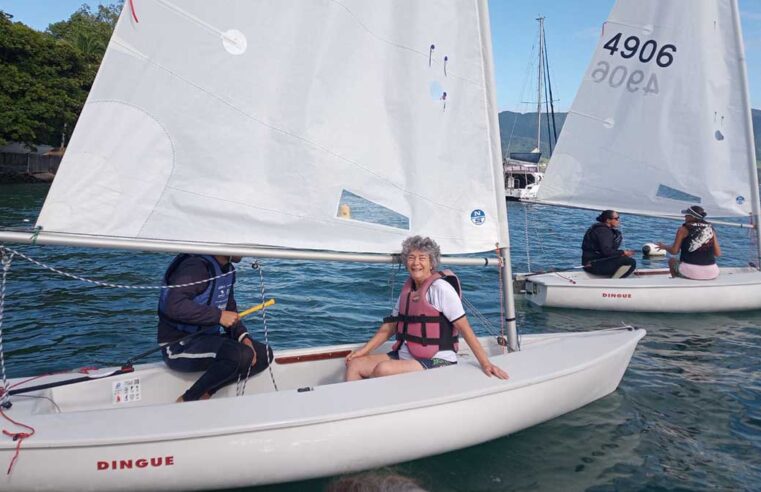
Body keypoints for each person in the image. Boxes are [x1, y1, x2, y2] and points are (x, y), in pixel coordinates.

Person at [344, 236, 509, 381]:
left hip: (440, 360)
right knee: (355, 364)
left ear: (432, 263)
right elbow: (389, 328)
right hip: (406, 356)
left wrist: (485, 363)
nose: (416, 263)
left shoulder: (441, 289)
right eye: (411, 258)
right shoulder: (407, 292)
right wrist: (362, 351)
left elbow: (464, 329)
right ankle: (353, 411)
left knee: (384, 369)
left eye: (422, 258)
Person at [157, 254, 272, 402]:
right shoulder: (195, 267)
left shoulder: (227, 270)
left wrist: (243, 337)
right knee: (240, 355)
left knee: (264, 354)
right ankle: (187, 399)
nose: (245, 252)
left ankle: (208, 392)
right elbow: (173, 305)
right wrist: (218, 316)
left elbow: (229, 308)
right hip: (177, 346)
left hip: (207, 339)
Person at [657, 205, 721, 280]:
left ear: (692, 217)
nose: (685, 217)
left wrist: (664, 246)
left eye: (687, 215)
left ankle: (676, 282)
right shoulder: (710, 229)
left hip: (691, 272)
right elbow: (718, 253)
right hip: (712, 272)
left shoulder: (683, 230)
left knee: (672, 261)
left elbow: (674, 251)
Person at [581, 210, 637, 278]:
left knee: (622, 257)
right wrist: (623, 252)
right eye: (616, 219)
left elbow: (605, 252)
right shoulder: (604, 231)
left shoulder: (598, 228)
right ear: (608, 220)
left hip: (591, 263)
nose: (618, 221)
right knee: (630, 262)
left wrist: (621, 254)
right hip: (593, 265)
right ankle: (614, 282)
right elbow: (607, 251)